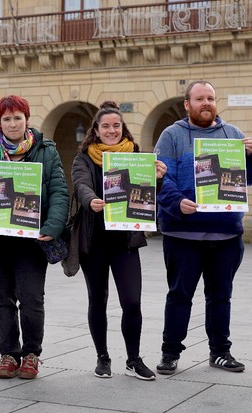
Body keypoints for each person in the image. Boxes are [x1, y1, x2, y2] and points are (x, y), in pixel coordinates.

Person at [0, 95, 69, 380]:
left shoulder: (46, 151)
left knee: (31, 298)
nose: (12, 123)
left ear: (26, 120)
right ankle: (8, 354)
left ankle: (31, 354)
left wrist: (52, 226)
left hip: (32, 238)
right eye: (6, 118)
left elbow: (58, 191)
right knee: (2, 298)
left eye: (18, 117)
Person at [154, 80, 252, 375]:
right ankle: (170, 352)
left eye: (211, 98)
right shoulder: (171, 135)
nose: (206, 103)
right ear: (187, 104)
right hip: (182, 233)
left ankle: (220, 352)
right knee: (179, 295)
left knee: (220, 296)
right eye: (199, 98)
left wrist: (251, 156)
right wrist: (177, 203)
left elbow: (249, 179)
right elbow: (161, 177)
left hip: (226, 233)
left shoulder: (233, 135)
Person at [70, 101, 166, 380]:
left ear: (122, 128)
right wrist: (91, 200)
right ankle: (103, 357)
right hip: (94, 239)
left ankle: (133, 359)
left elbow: (145, 192)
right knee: (97, 300)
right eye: (105, 126)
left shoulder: (135, 155)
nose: (111, 130)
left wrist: (157, 178)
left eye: (116, 126)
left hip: (124, 241)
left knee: (132, 301)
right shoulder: (84, 157)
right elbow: (81, 184)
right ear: (96, 131)